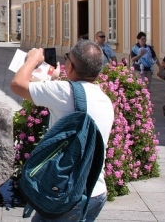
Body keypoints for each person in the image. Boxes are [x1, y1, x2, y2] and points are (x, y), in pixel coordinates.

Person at [10, 40, 114, 222]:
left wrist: (32, 60)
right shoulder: (104, 99)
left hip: (66, 193)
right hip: (94, 192)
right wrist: (54, 79)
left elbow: (17, 84)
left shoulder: (63, 92)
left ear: (70, 66)